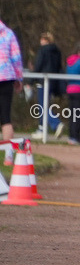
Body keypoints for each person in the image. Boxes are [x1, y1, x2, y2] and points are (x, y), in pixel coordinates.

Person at [31, 32, 64, 139]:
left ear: (45, 40)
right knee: (44, 104)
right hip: (53, 81)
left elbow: (38, 66)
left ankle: (56, 123)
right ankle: (41, 128)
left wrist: (30, 80)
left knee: (42, 105)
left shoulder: (43, 51)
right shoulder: (57, 52)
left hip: (43, 80)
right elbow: (59, 67)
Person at [0, 18, 23, 162]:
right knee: (5, 118)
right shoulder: (8, 34)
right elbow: (16, 58)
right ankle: (8, 156)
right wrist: (19, 78)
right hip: (7, 77)